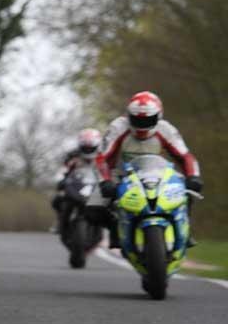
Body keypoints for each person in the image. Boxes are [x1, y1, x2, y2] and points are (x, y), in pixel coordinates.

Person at [94, 91, 203, 247]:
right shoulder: (118, 127)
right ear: (128, 116)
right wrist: (105, 181)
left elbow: (185, 156)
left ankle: (185, 230)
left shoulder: (166, 129)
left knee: (186, 191)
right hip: (123, 174)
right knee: (94, 209)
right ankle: (116, 230)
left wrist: (193, 176)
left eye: (147, 120)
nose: (141, 125)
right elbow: (102, 158)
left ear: (158, 117)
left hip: (159, 173)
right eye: (136, 119)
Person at [51, 128, 101, 235]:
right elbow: (63, 169)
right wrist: (61, 180)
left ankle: (114, 230)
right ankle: (60, 221)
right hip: (76, 185)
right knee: (58, 199)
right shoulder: (72, 155)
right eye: (85, 148)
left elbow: (110, 170)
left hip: (96, 186)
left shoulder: (103, 155)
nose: (88, 150)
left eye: (90, 148)